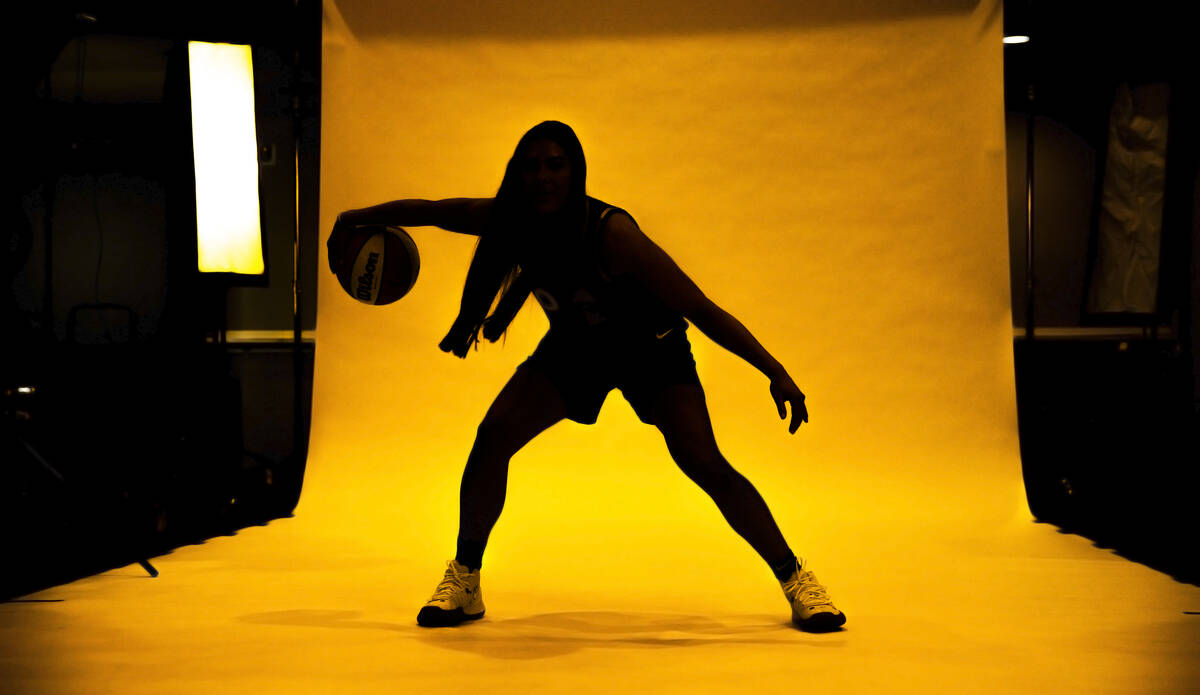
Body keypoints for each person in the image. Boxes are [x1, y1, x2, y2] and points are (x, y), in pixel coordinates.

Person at [329, 121, 846, 632]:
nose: (543, 176)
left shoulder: (613, 234)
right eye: (531, 166)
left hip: (652, 352)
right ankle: (465, 580)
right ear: (517, 175)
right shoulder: (511, 219)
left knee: (704, 462)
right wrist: (351, 219)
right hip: (576, 351)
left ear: (577, 173)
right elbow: (434, 213)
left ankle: (796, 578)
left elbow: (701, 308)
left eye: (556, 165)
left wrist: (774, 370)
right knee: (493, 437)